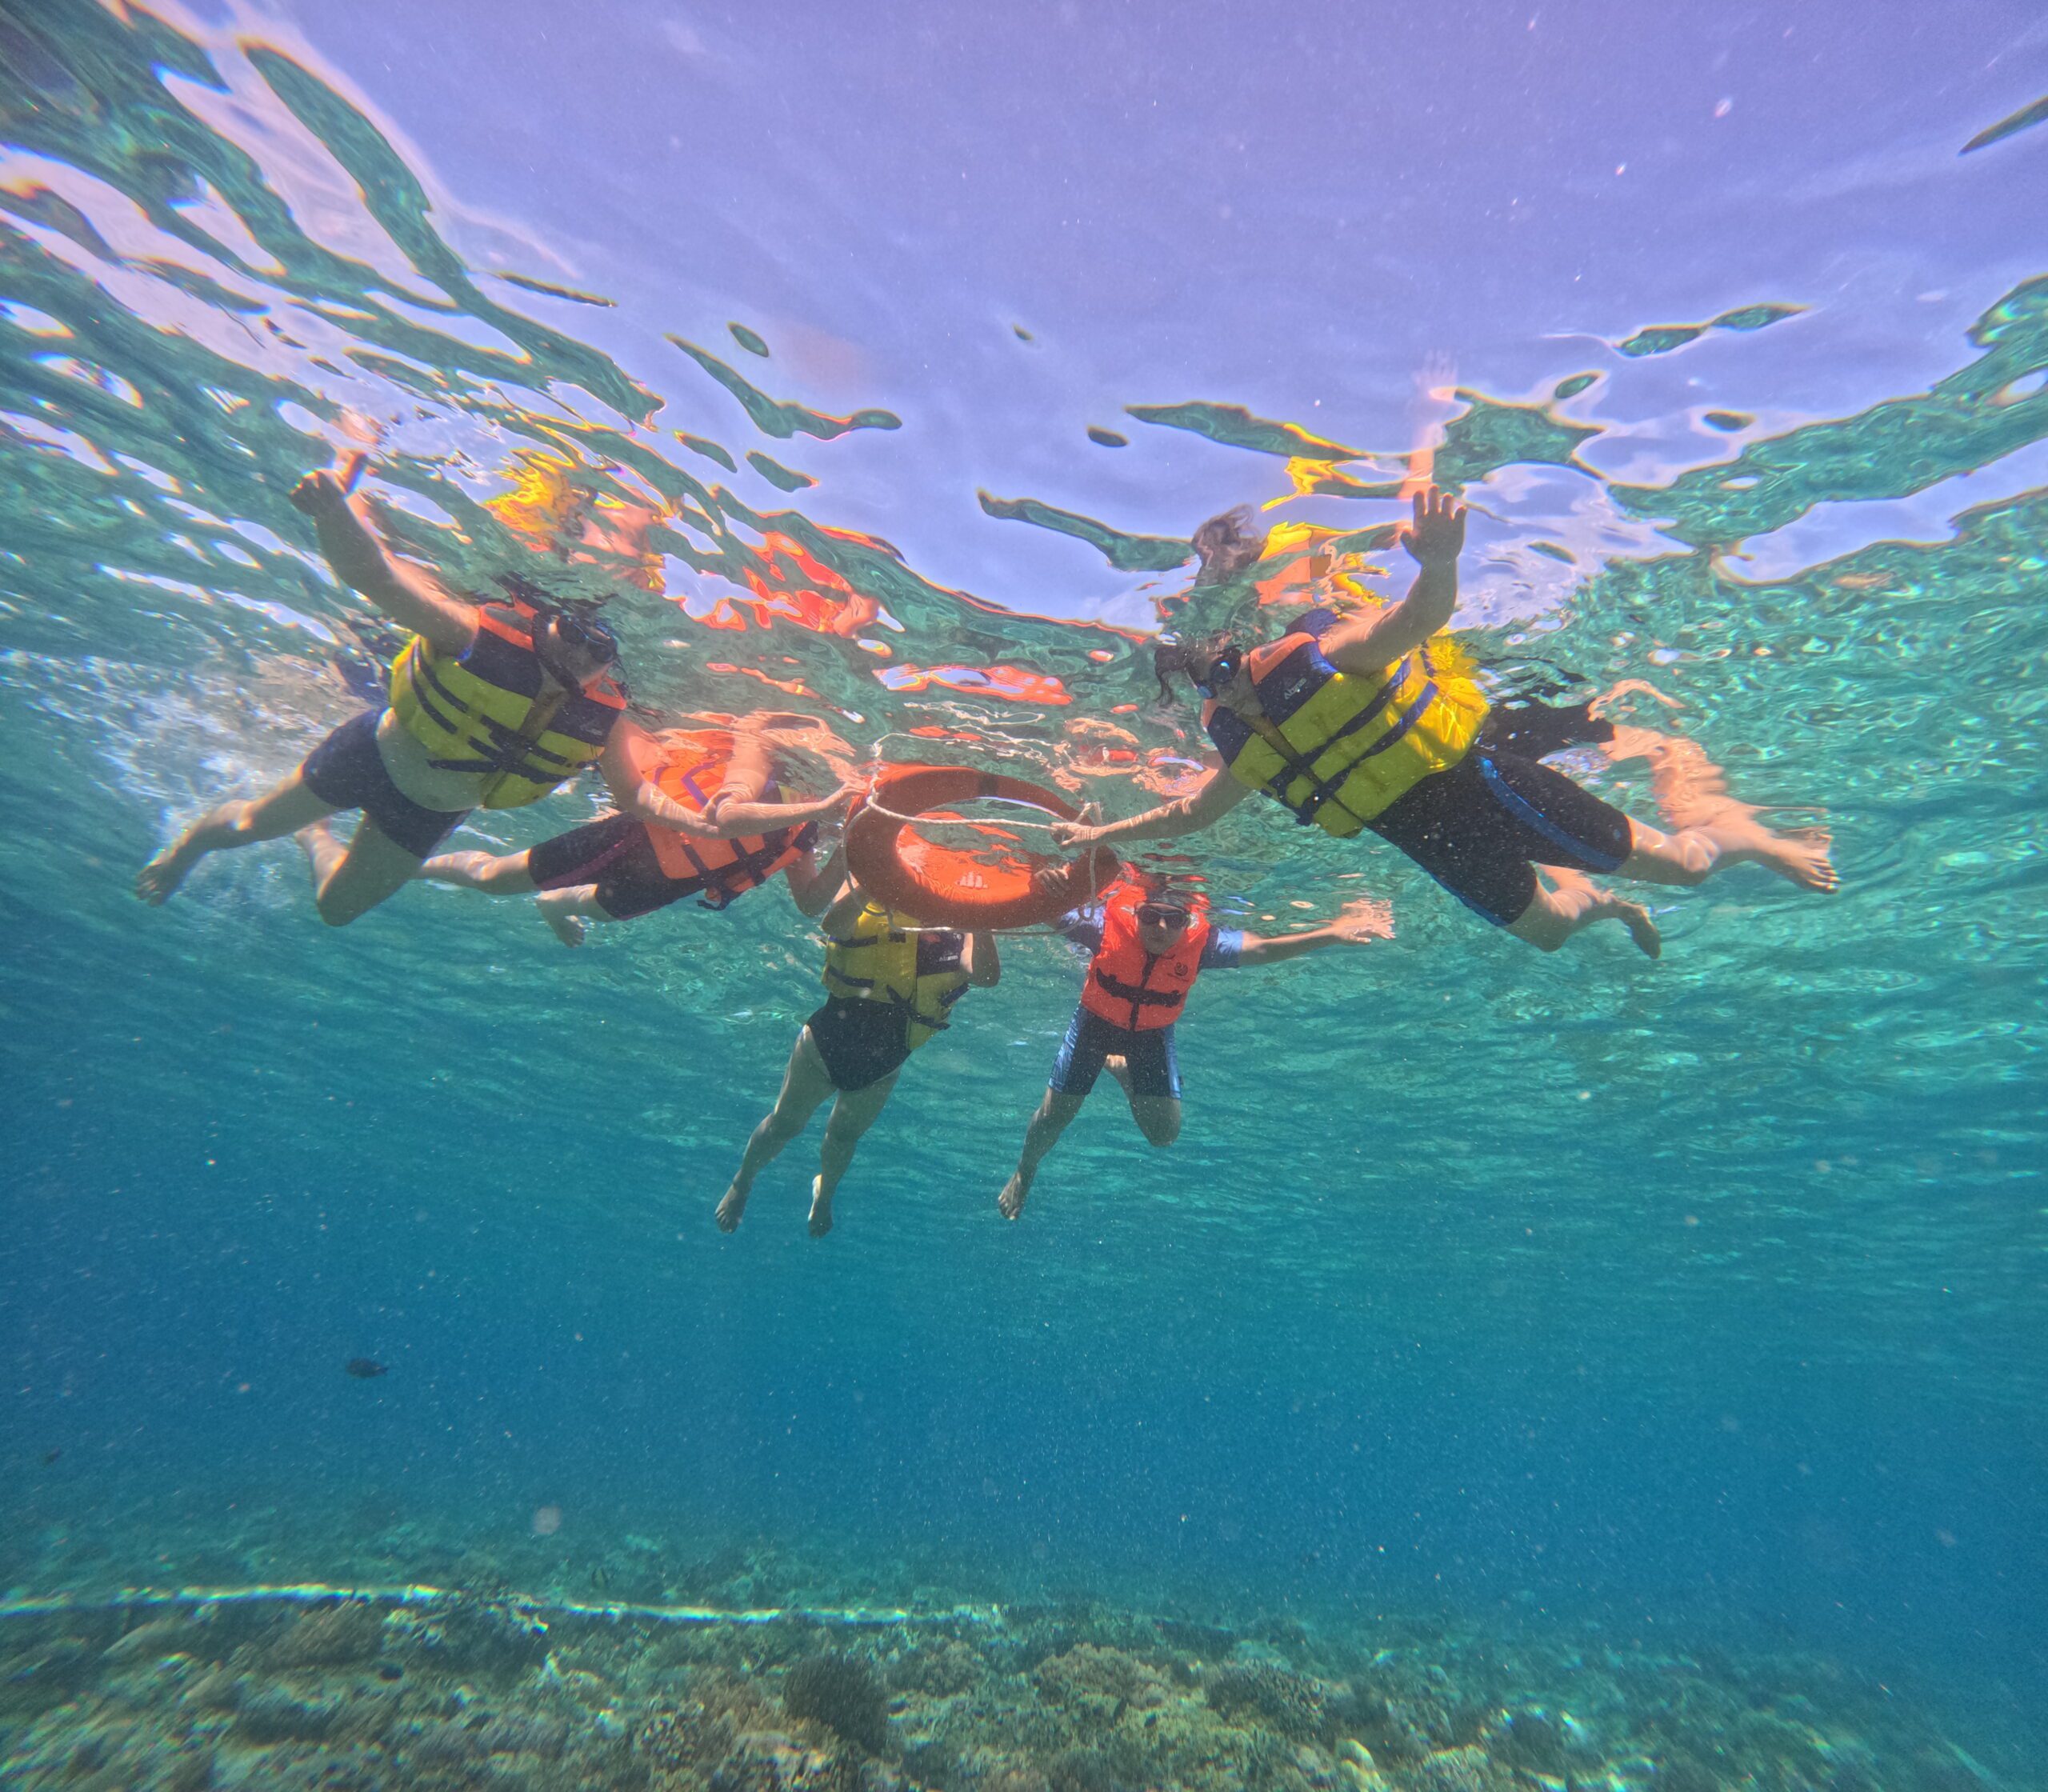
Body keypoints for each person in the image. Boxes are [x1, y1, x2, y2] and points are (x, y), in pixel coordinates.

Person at [1054, 486, 1836, 956]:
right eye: (1214, 688)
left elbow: (1415, 619)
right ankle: (1604, 902)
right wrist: (1098, 837)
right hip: (1438, 849)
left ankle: (1759, 841)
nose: (1235, 690)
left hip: (1493, 789)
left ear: (1251, 651)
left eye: (1231, 667)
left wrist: (1439, 561)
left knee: (1690, 866)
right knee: (1550, 931)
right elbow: (1190, 813)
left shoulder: (1331, 657)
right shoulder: (1248, 749)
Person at [135, 458, 632, 925]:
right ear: (543, 624)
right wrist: (333, 512)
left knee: (337, 910)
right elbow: (375, 576)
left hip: (427, 812)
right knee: (248, 826)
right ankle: (185, 852)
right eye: (571, 632)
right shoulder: (472, 636)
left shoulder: (608, 715)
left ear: (613, 665)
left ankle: (314, 837)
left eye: (600, 647)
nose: (581, 653)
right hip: (369, 755)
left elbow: (641, 789)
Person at [998, 873, 1392, 1219]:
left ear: (1188, 922)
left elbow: (1265, 949)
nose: (1161, 927)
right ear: (1136, 914)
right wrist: (1041, 881)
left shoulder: (1204, 946)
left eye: (1175, 919)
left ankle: (1122, 1070)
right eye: (1150, 916)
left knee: (1163, 1135)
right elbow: (1037, 908)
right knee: (1056, 1115)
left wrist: (1331, 933)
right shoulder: (1100, 927)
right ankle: (1024, 1172)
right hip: (1094, 1025)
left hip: (1151, 1036)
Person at [716, 881, 999, 1238]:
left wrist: (983, 920)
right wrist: (873, 881)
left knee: (843, 1138)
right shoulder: (873, 888)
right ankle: (742, 1182)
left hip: (882, 1067)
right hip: (824, 1046)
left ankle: (825, 1195)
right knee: (784, 1125)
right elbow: (833, 925)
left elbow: (987, 977)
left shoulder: (959, 926)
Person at [418, 718, 858, 943]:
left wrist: (853, 850)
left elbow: (809, 904)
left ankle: (554, 905)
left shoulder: (804, 832)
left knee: (590, 908)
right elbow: (723, 819)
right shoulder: (759, 757)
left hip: (666, 885)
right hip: (634, 838)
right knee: (493, 880)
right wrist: (823, 805)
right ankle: (416, 866)